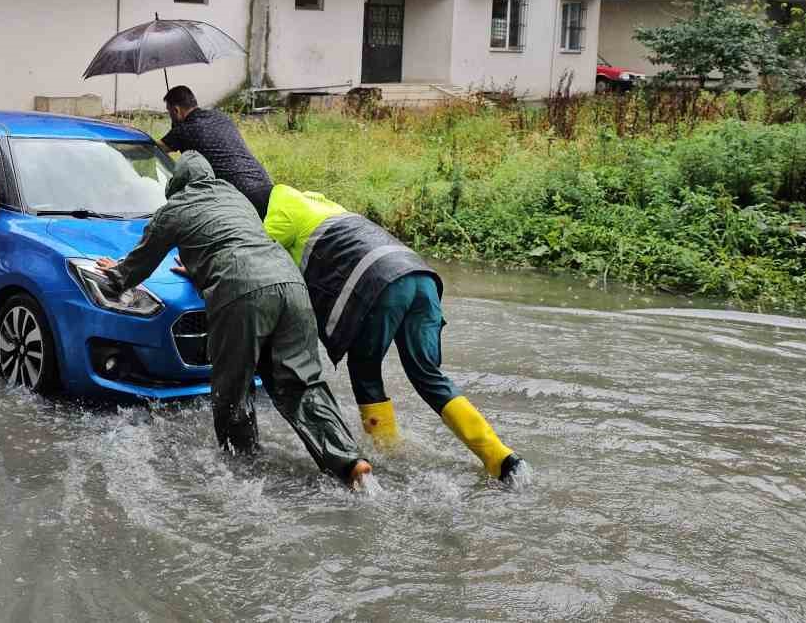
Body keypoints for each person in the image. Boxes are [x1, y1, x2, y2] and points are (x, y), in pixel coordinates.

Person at [97, 153, 373, 489]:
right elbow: (235, 240)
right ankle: (350, 464)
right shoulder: (234, 196)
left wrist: (112, 275)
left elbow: (141, 262)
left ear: (177, 186)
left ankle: (242, 474)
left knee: (232, 389)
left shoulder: (175, 208)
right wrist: (203, 267)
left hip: (241, 292)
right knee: (303, 384)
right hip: (290, 283)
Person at [263, 183, 523, 484]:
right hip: (421, 276)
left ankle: (386, 457)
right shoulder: (326, 205)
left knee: (365, 372)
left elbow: (257, 255)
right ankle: (501, 459)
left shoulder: (279, 205)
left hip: (382, 285)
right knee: (428, 375)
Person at [158, 86, 274, 218]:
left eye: (169, 112)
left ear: (176, 110)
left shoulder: (183, 130)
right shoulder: (220, 117)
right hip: (266, 186)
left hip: (240, 197)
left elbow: (156, 149)